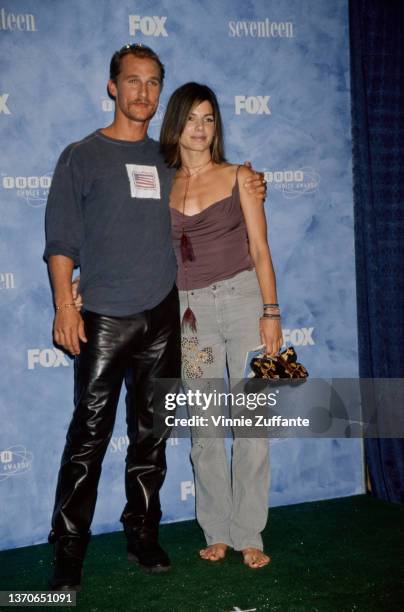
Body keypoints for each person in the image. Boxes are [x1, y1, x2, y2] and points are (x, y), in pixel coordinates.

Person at [44, 45, 265, 590]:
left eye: (153, 83)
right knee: (88, 437)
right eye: (132, 81)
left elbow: (211, 190)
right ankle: (68, 546)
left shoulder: (167, 161)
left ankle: (142, 534)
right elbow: (61, 241)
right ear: (113, 86)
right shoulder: (81, 155)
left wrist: (252, 183)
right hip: (100, 320)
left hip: (167, 319)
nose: (143, 92)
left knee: (153, 437)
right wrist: (64, 304)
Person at [160, 83, 283, 569]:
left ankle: (249, 531)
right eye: (191, 118)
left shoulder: (241, 177)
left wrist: (271, 313)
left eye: (209, 118)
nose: (200, 128)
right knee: (205, 427)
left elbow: (260, 249)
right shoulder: (159, 182)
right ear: (176, 124)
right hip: (190, 318)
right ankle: (217, 530)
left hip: (244, 302)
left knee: (252, 425)